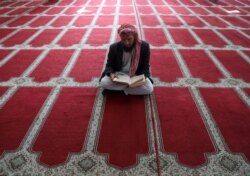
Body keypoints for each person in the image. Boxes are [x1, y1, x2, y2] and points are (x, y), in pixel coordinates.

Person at [99, 23, 154, 95]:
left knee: (149, 88)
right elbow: (109, 64)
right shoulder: (114, 47)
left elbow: (145, 66)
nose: (126, 42)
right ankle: (129, 90)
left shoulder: (144, 47)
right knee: (103, 82)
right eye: (123, 40)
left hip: (136, 75)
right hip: (119, 75)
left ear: (134, 36)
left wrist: (141, 78)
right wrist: (111, 74)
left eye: (129, 39)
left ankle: (118, 90)